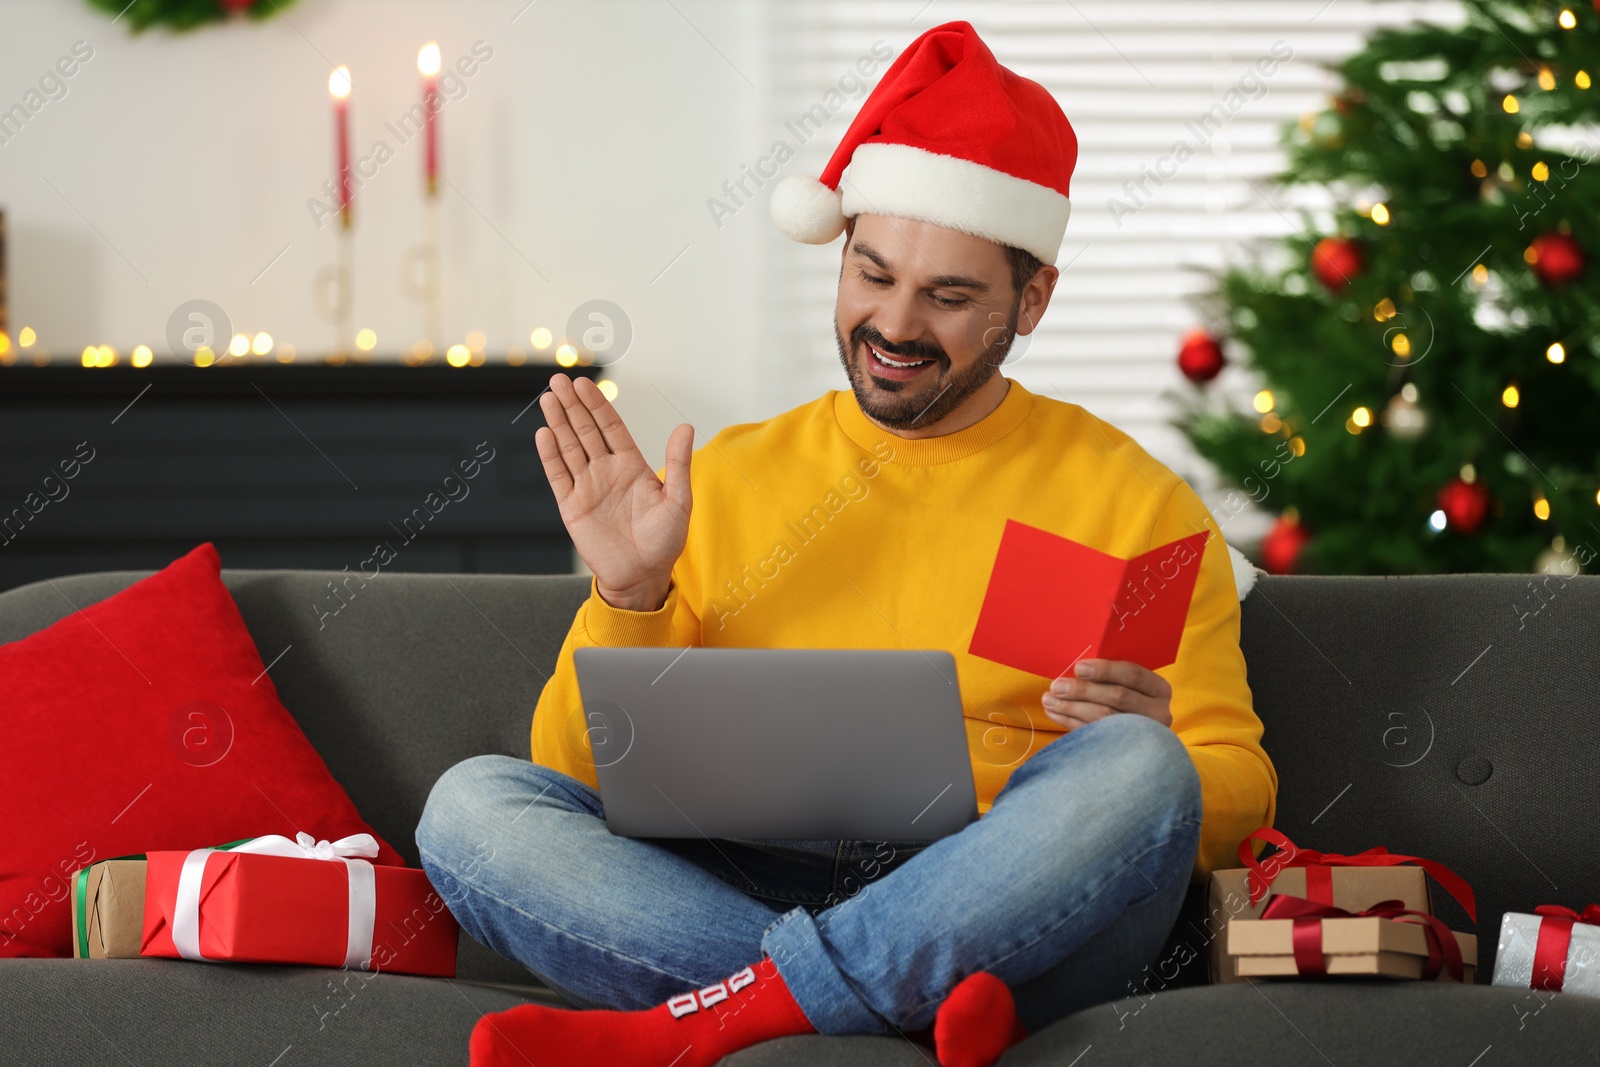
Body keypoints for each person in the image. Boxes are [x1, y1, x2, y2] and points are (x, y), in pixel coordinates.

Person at [416, 19, 1276, 1067]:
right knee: (471, 807)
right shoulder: (723, 479)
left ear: (1032, 300)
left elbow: (1229, 794)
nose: (894, 323)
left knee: (1139, 768)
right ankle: (904, 996)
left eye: (948, 296)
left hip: (1007, 893)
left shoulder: (1129, 505)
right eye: (870, 275)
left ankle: (725, 1012)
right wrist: (630, 589)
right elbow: (575, 768)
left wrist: (1165, 735)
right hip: (746, 874)